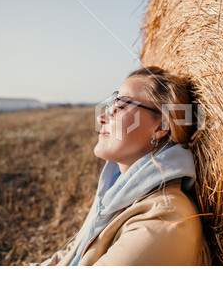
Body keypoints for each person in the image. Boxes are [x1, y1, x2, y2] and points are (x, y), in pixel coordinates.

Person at [39, 66, 211, 266]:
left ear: (161, 126)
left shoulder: (163, 220)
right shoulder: (114, 191)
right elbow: (70, 256)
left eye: (119, 107)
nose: (101, 117)